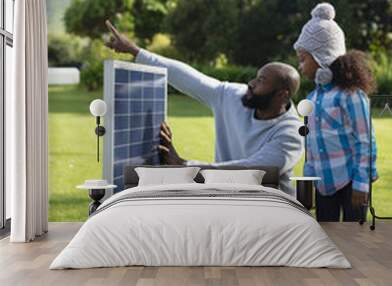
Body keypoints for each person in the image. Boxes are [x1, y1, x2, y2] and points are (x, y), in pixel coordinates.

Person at [105, 20, 303, 196]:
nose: (251, 83)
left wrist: (186, 167)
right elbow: (190, 78)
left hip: (271, 207)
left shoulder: (291, 133)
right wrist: (136, 51)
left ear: (282, 94)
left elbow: (253, 171)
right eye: (256, 77)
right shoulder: (233, 96)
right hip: (227, 198)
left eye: (261, 81)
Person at [293, 3, 378, 221]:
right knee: (327, 237)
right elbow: (310, 148)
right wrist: (308, 184)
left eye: (303, 59)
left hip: (351, 182)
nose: (300, 66)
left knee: (354, 240)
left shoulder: (351, 96)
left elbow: (365, 141)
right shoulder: (311, 99)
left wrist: (362, 183)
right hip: (323, 184)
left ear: (322, 56)